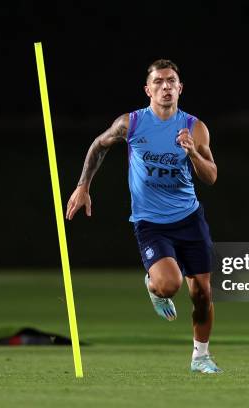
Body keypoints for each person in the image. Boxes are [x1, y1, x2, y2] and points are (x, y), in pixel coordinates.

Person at [65, 59, 221, 374]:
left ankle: (200, 358)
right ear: (148, 89)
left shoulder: (195, 127)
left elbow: (212, 176)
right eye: (159, 81)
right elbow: (98, 146)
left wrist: (191, 152)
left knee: (202, 293)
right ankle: (153, 286)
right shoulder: (132, 123)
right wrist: (83, 186)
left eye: (171, 81)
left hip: (188, 218)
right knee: (169, 285)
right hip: (150, 223)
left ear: (180, 88)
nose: (166, 86)